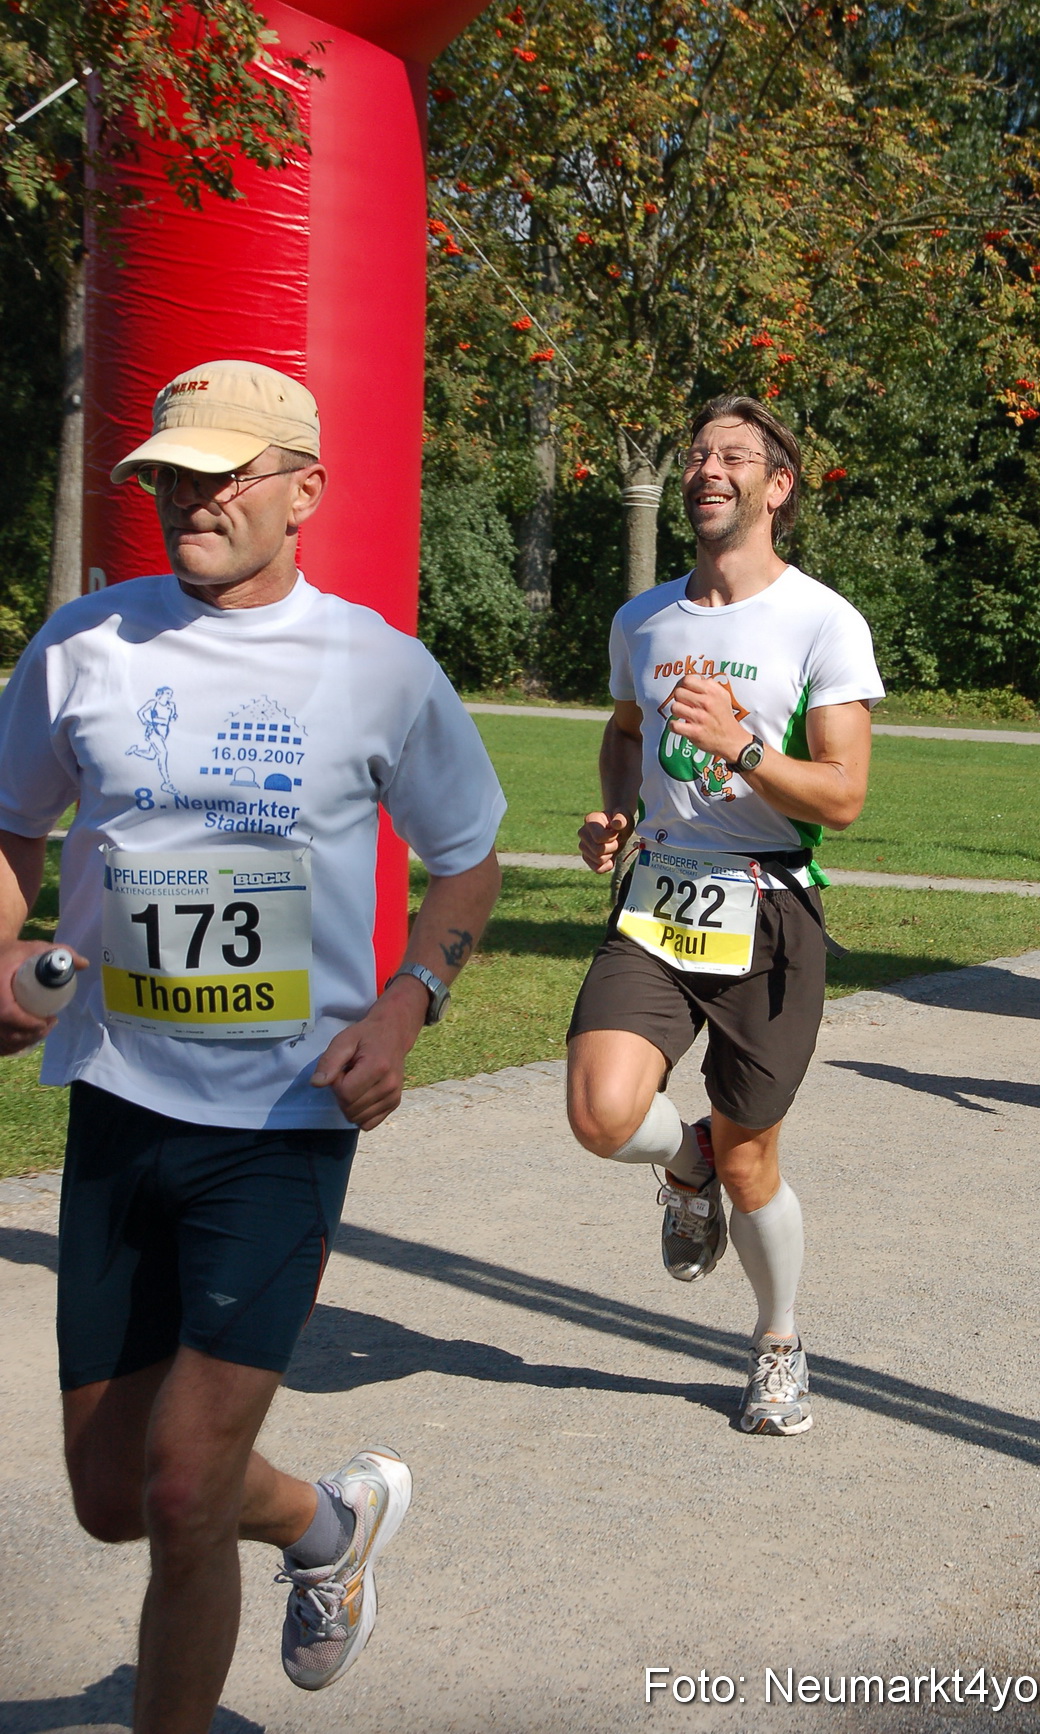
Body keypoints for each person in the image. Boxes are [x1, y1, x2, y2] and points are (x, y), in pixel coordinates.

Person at [0, 360, 504, 1732]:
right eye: (169, 474)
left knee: (176, 1490)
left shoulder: (378, 669)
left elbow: (466, 864)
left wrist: (409, 1002)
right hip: (114, 1101)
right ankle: (326, 1517)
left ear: (305, 493)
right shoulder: (85, 645)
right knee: (116, 1494)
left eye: (223, 473)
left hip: (284, 1121)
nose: (189, 497)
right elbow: (14, 831)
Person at [567, 394, 883, 1436]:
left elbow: (840, 795)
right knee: (602, 1112)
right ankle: (682, 1156)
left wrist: (744, 747)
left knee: (756, 1160)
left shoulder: (821, 621)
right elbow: (624, 729)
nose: (707, 469)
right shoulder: (643, 618)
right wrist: (617, 804)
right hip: (659, 897)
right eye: (697, 452)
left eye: (732, 456)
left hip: (769, 906)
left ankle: (778, 1341)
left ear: (776, 486)